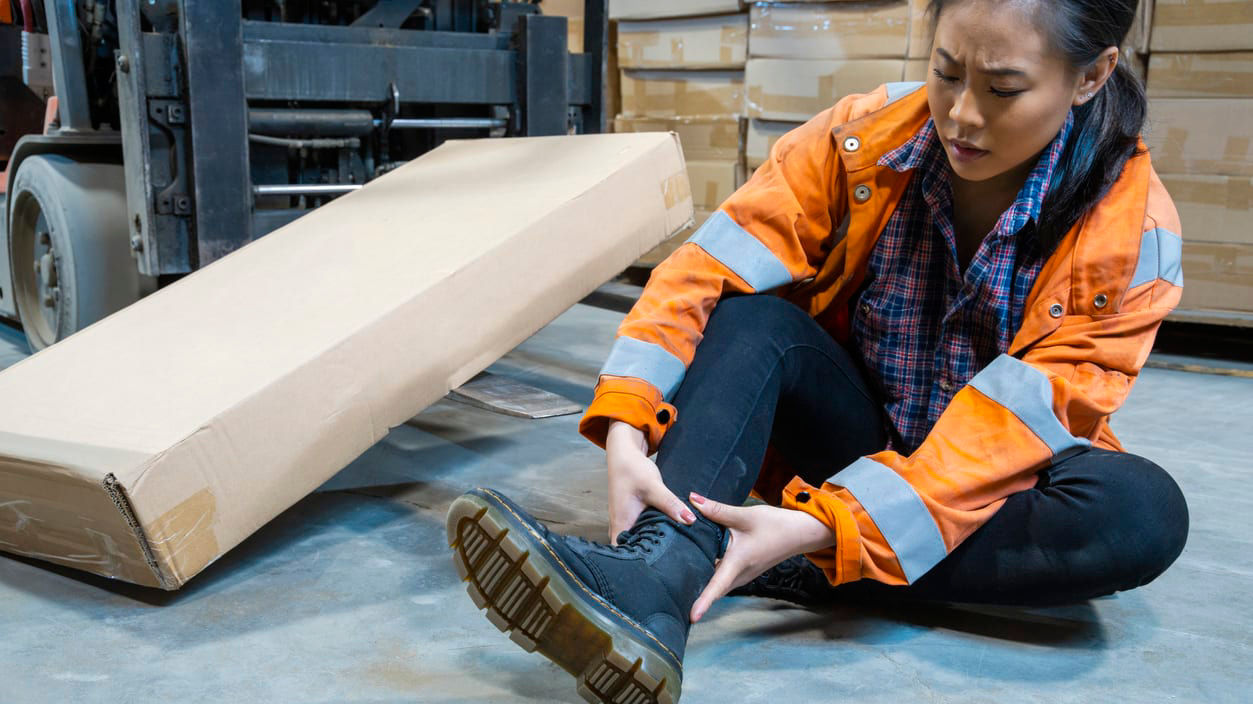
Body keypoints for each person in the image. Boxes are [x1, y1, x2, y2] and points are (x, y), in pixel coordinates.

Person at [444, 1, 1189, 702]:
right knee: (755, 324)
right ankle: (659, 572)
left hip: (987, 488)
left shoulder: (1130, 233)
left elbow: (1007, 435)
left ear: (1089, 76)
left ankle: (794, 560)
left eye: (1001, 89)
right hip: (844, 445)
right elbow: (702, 275)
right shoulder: (858, 139)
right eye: (946, 71)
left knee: (1138, 515)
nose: (961, 114)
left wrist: (834, 528)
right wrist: (625, 422)